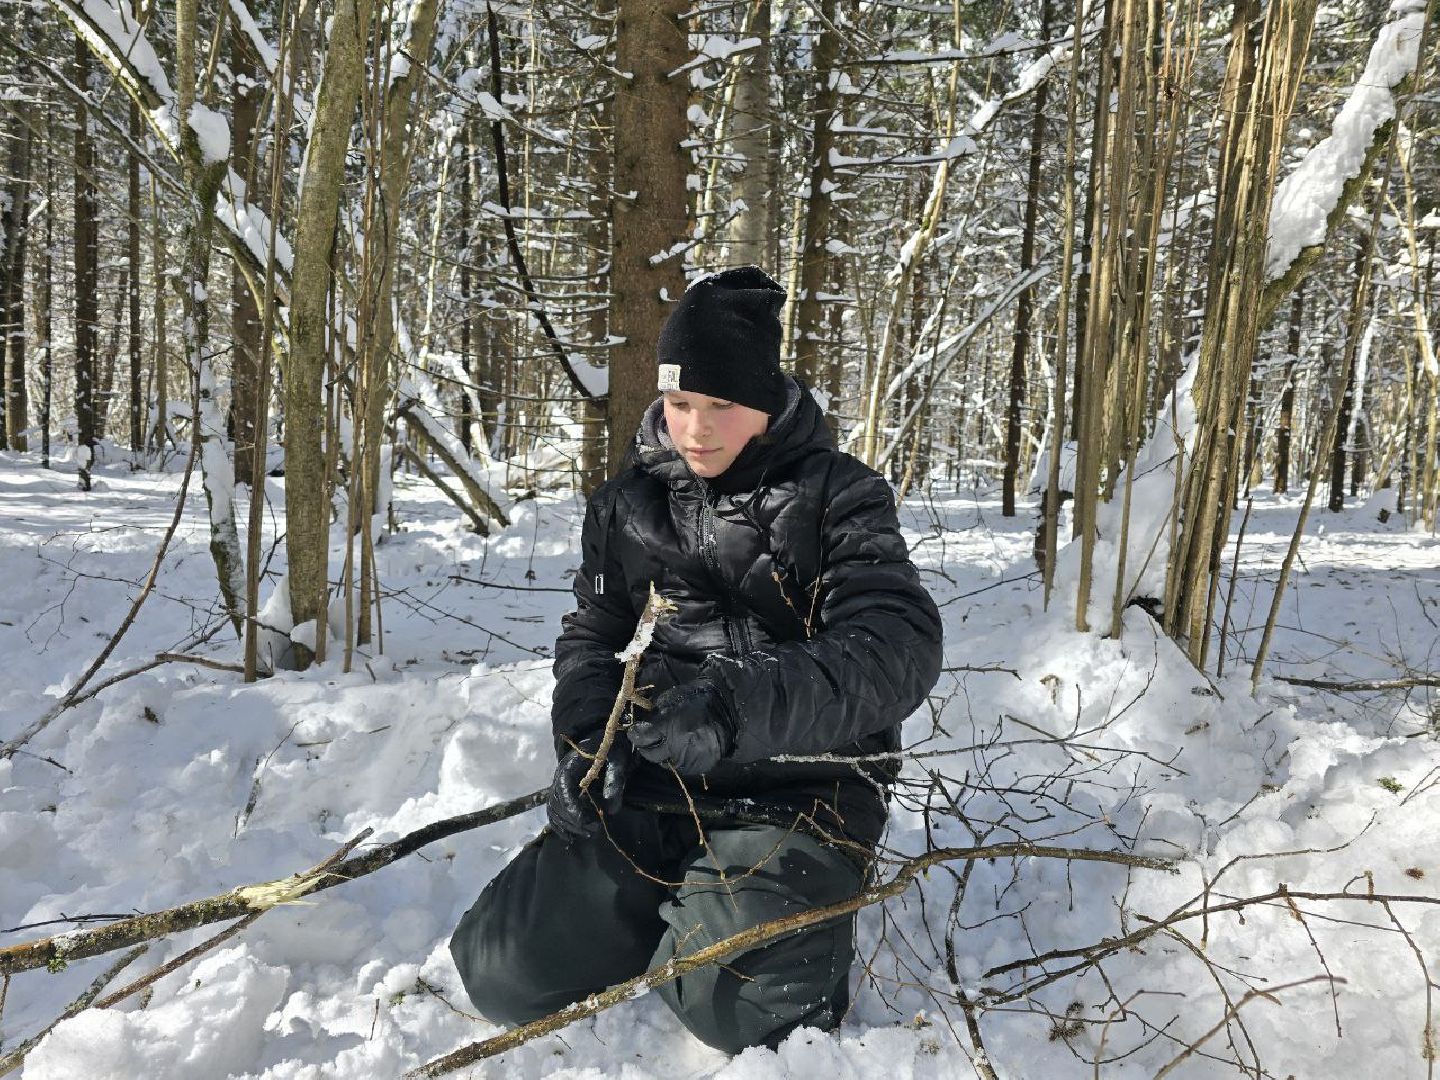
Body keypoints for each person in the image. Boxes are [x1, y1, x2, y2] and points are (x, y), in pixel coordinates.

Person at [449, 266, 943, 1054]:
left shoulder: (837, 497)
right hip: (655, 782)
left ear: (767, 402)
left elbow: (896, 648)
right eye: (680, 402)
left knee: (738, 1011)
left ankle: (748, 915)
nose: (696, 428)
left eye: (722, 405)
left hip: (800, 790)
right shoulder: (625, 506)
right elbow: (592, 639)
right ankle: (681, 905)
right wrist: (585, 741)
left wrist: (730, 706)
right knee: (503, 972)